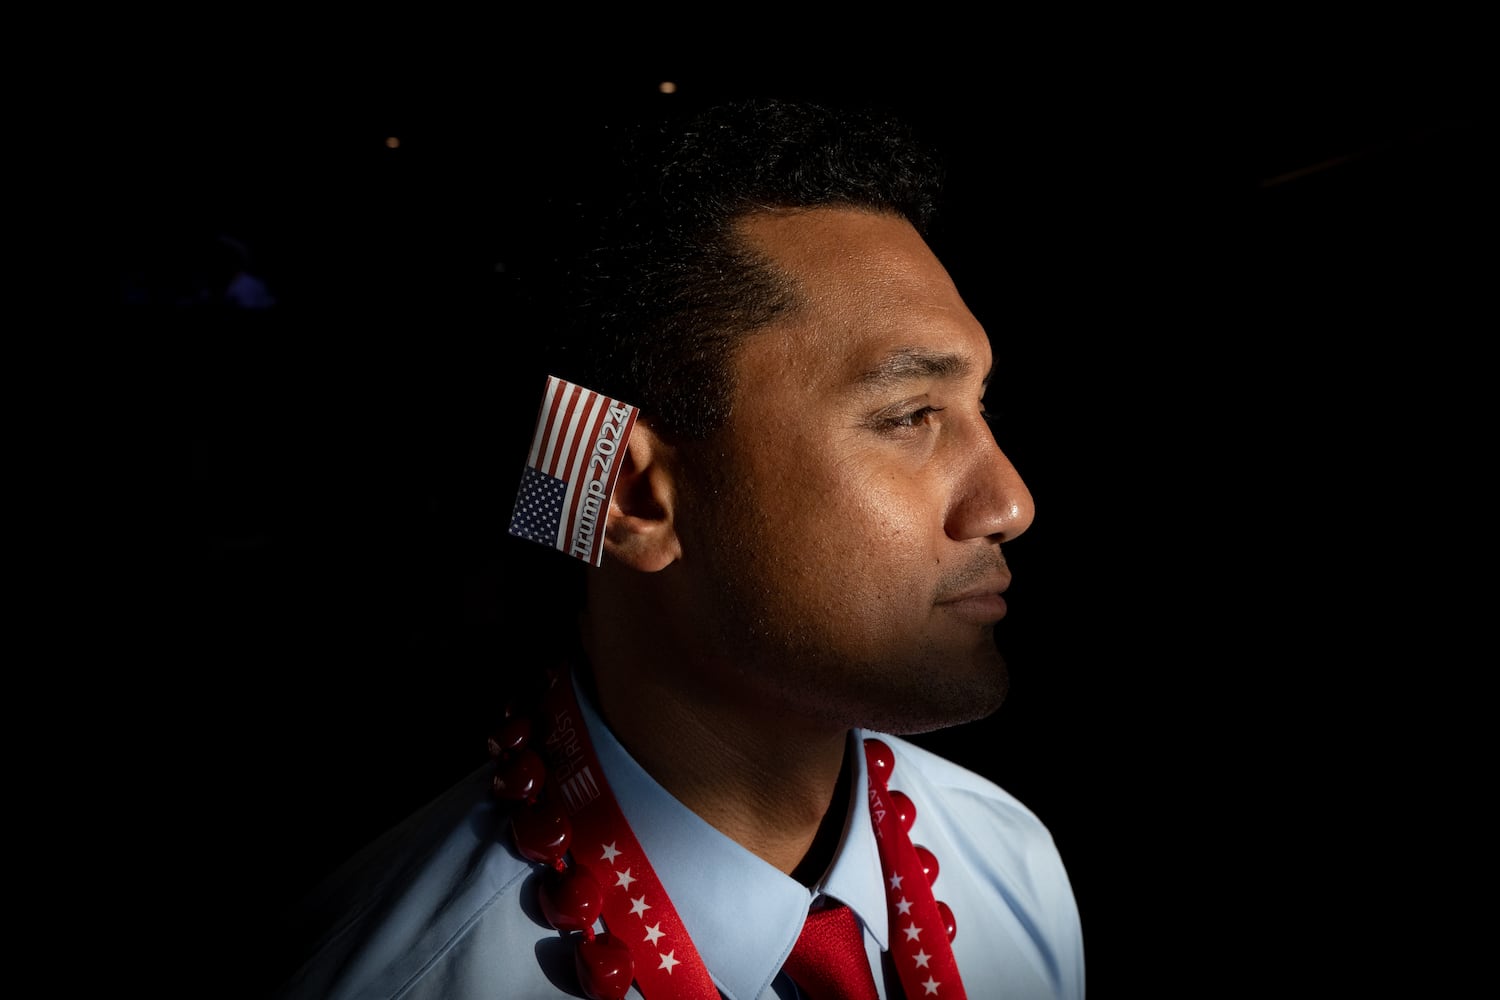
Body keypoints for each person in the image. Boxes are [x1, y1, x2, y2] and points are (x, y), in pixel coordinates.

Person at [268, 96, 1085, 1000]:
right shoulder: (400, 980)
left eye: (981, 410)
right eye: (910, 416)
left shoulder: (1012, 867)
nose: (1011, 503)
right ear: (634, 497)